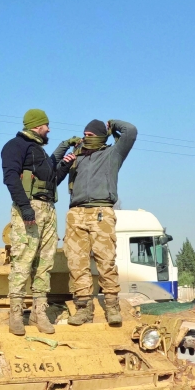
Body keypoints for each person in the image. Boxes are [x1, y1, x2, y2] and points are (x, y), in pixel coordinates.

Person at [54, 119, 137, 326]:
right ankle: (83, 310)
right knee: (76, 263)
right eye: (84, 135)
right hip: (76, 212)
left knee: (106, 261)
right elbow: (52, 171)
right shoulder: (77, 158)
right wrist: (65, 146)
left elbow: (131, 132)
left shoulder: (112, 154)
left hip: (102, 212)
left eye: (90, 135)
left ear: (100, 136)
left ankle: (111, 307)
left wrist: (113, 124)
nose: (85, 138)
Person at [1, 109, 65, 336]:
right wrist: (25, 208)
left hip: (48, 208)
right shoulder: (15, 145)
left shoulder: (39, 151)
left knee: (45, 262)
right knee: (23, 260)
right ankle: (16, 315)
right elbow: (10, 177)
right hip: (29, 209)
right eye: (46, 125)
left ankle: (39, 312)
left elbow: (51, 179)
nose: (49, 129)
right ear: (37, 126)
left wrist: (64, 162)